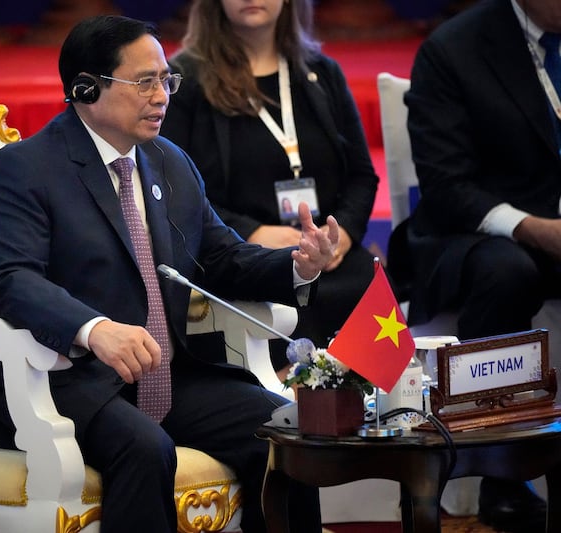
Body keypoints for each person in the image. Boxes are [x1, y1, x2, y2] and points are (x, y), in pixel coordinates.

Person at [0, 15, 339, 533]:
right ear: (86, 88)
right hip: (65, 379)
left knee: (288, 430)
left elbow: (219, 259)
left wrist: (297, 265)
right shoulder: (25, 168)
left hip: (168, 376)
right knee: (147, 449)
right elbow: (10, 279)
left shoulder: (168, 161)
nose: (162, 96)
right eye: (145, 81)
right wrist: (94, 329)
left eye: (167, 80)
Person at [391, 0, 558, 530]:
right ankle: (502, 476)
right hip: (474, 230)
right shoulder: (452, 50)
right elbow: (446, 185)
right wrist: (535, 228)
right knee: (508, 272)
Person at [160, 0, 380, 375]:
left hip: (332, 256)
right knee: (293, 300)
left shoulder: (321, 72)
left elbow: (361, 175)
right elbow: (169, 186)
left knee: (366, 291)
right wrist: (252, 233)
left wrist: (340, 234)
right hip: (245, 259)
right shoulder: (185, 79)